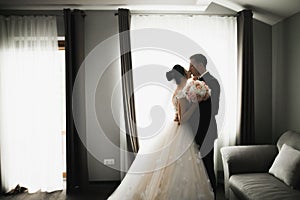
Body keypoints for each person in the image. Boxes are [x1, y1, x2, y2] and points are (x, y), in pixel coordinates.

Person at [107, 65, 214, 200]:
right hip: (181, 131)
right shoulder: (182, 92)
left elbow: (178, 114)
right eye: (186, 71)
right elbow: (182, 119)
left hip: (176, 129)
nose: (189, 72)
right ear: (181, 75)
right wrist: (195, 105)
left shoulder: (178, 90)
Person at [188, 54, 220, 196]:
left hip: (206, 131)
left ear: (200, 65)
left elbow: (215, 109)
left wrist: (198, 103)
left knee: (207, 166)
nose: (189, 68)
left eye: (191, 65)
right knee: (196, 168)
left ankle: (212, 195)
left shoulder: (212, 82)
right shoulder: (195, 82)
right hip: (193, 131)